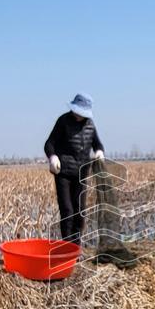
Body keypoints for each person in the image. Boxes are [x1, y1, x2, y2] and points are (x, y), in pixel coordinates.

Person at [44, 93, 105, 245]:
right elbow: (49, 143)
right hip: (63, 173)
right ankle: (67, 246)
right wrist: (53, 157)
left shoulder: (90, 124)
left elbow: (98, 144)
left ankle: (76, 246)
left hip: (82, 174)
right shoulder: (63, 121)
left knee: (80, 212)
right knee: (67, 211)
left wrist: (99, 152)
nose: (79, 116)